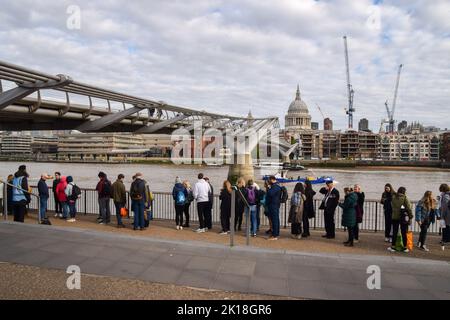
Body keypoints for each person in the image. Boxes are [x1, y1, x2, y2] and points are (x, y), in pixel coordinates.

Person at [388, 187, 413, 253]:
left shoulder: (393, 198)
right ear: (404, 192)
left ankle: (393, 246)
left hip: (394, 217)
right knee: (404, 232)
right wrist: (410, 217)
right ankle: (405, 247)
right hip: (403, 217)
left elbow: (392, 206)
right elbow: (408, 208)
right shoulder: (404, 198)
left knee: (395, 232)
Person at [266, 175, 282, 240]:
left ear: (272, 179)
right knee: (275, 220)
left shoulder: (275, 186)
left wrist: (268, 188)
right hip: (274, 205)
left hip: (273, 205)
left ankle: (274, 235)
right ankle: (275, 233)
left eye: (269, 180)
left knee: (274, 220)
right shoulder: (276, 186)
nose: (268, 182)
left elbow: (270, 194)